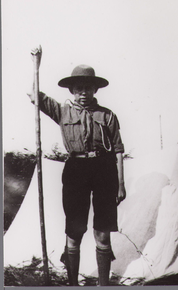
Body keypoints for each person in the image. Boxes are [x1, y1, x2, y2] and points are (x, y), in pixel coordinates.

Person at [29, 46, 126, 286]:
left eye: (88, 88)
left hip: (105, 171)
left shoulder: (107, 115)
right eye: (79, 88)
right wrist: (36, 66)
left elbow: (118, 149)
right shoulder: (62, 111)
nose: (84, 92)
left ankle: (103, 284)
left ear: (95, 90)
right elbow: (34, 95)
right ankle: (73, 284)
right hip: (75, 171)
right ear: (72, 90)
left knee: (103, 231)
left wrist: (121, 184)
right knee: (75, 229)